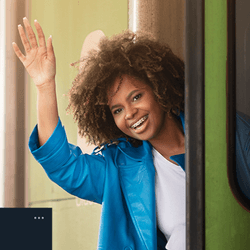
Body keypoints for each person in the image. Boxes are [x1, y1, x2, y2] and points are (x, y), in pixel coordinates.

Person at [13, 17, 185, 250]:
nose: (130, 114)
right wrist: (44, 86)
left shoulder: (222, 132)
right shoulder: (120, 170)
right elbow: (63, 166)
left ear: (159, 88)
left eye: (136, 97)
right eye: (117, 110)